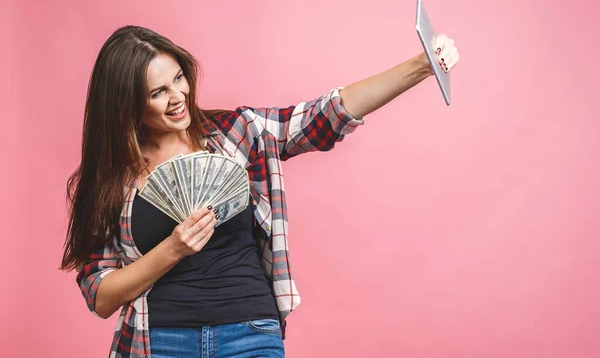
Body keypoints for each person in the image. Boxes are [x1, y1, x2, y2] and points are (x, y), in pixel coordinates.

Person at [60, 25, 459, 358]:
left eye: (178, 77)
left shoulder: (237, 133)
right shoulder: (110, 180)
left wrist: (421, 65)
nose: (178, 97)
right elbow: (101, 297)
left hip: (248, 332)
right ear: (127, 105)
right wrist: (173, 249)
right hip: (157, 341)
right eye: (157, 92)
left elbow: (324, 114)